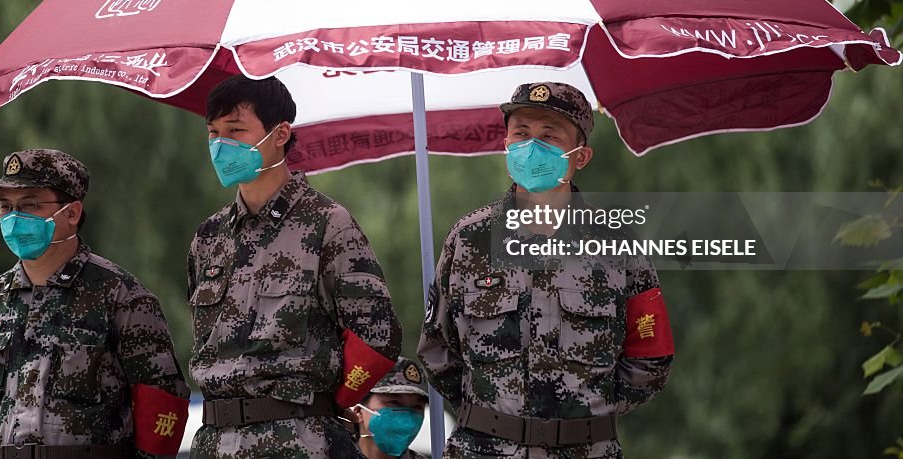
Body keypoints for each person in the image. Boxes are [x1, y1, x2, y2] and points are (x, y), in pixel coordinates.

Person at [417, 82, 674, 458]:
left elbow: (652, 354)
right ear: (506, 142)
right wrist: (493, 414)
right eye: (521, 133)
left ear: (581, 156)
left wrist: (586, 413)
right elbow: (437, 347)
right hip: (485, 449)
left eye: (548, 136)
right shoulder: (469, 238)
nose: (531, 146)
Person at [188, 76, 403, 458]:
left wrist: (326, 404)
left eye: (236, 131)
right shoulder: (209, 237)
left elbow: (378, 333)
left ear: (280, 133)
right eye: (213, 133)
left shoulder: (328, 223)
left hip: (300, 440)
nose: (221, 145)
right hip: (214, 440)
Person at [0, 149, 190, 459]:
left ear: (71, 213)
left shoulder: (120, 295)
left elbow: (165, 405)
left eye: (29, 205)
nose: (14, 218)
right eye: (5, 207)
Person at [348, 357, 429, 459]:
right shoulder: (328, 452)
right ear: (359, 411)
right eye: (395, 402)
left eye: (417, 406)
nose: (407, 417)